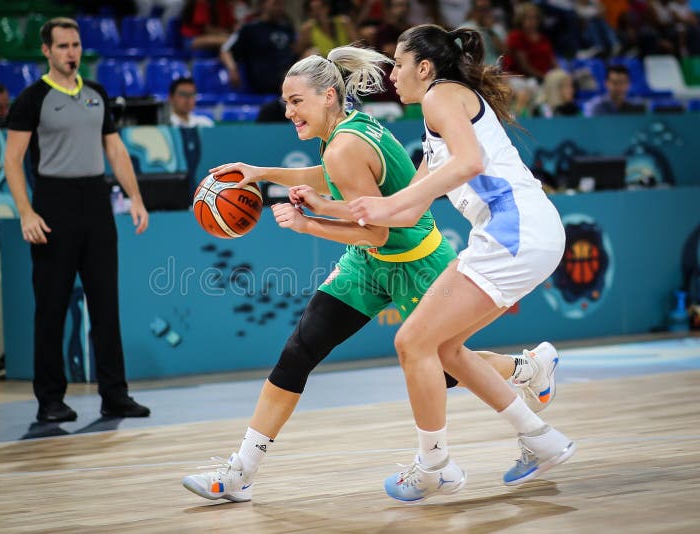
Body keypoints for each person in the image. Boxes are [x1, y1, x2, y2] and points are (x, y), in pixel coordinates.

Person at [181, 45, 561, 503]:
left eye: (295, 101)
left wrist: (309, 225)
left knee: (446, 366)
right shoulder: (344, 130)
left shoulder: (345, 144)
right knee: (299, 351)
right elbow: (331, 176)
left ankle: (524, 369)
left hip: (414, 261)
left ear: (326, 97)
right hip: (369, 265)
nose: (287, 110)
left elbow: (375, 234)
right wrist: (263, 173)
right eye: (285, 101)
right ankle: (242, 470)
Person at [348, 24, 576, 501]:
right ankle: (540, 437)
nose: (392, 73)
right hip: (524, 234)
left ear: (425, 68)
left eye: (399, 62)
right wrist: (320, 209)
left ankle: (433, 465)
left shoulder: (441, 97)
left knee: (412, 341)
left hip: (514, 232)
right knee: (446, 349)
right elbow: (408, 207)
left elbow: (469, 162)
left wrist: (386, 208)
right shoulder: (440, 113)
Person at [4, 17, 151, 423]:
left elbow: (117, 152)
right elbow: (12, 161)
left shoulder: (97, 94)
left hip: (96, 203)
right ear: (46, 51)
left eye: (76, 45)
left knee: (106, 304)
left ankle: (115, 395)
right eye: (63, 46)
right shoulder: (32, 98)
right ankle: (50, 399)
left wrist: (135, 198)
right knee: (51, 308)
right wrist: (26, 211)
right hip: (53, 204)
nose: (72, 53)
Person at [220, 0, 297, 94]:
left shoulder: (287, 28)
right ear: (263, 4)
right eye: (275, 4)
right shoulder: (249, 28)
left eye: (282, 4)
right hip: (265, 82)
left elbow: (295, 52)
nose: (279, 8)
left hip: (289, 77)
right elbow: (225, 50)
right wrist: (232, 68)